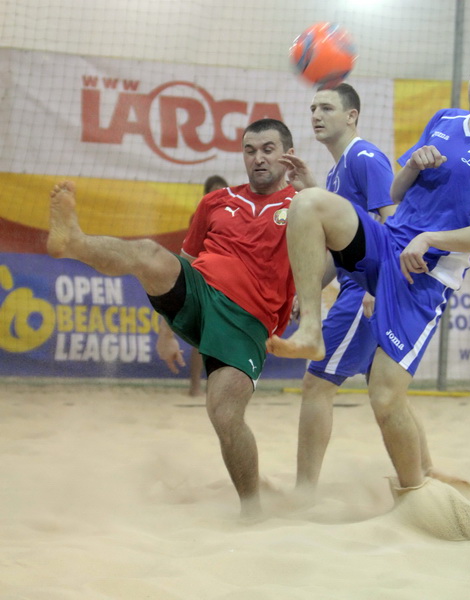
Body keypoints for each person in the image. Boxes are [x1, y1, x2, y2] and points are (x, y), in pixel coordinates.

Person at [267, 41, 470, 498]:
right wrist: (414, 163)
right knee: (308, 203)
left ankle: (417, 494)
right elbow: (396, 192)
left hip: (424, 275)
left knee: (386, 398)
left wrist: (431, 240)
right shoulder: (445, 120)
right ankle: (310, 328)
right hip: (388, 245)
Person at [47, 118, 297, 520]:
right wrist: (166, 334)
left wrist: (311, 299)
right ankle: (74, 242)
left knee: (224, 413)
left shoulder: (302, 205)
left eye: (268, 149)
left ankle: (251, 508)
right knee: (149, 253)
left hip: (247, 319)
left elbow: (327, 256)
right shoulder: (216, 202)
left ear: (287, 154)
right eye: (250, 151)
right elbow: (185, 261)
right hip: (199, 292)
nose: (258, 158)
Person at [282, 84, 399, 501]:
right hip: (362, 285)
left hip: (367, 291)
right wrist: (308, 288)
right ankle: (426, 477)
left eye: (327, 107)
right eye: (313, 107)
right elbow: (341, 248)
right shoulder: (337, 171)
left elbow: (394, 227)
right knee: (389, 398)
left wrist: (380, 289)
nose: (316, 114)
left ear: (352, 116)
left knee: (317, 385)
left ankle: (303, 495)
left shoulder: (365, 157)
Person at [156, 174, 229, 397]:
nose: (218, 196)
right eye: (214, 192)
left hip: (226, 280)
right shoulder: (200, 216)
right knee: (201, 338)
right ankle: (195, 385)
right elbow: (192, 253)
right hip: (203, 278)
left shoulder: (235, 217)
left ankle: (217, 387)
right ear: (206, 195)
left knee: (224, 338)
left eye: (222, 192)